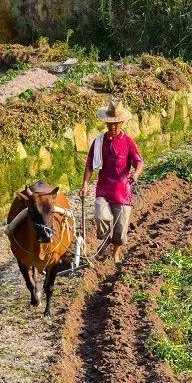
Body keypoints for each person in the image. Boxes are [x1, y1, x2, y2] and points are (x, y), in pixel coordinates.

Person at [80, 100, 143, 262]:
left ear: (122, 123)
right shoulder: (99, 142)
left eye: (116, 123)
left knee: (120, 228)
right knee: (100, 214)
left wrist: (135, 175)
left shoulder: (128, 142)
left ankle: (115, 253)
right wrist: (85, 185)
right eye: (109, 124)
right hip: (103, 189)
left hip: (123, 191)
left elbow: (139, 162)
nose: (113, 127)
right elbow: (89, 165)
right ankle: (105, 239)